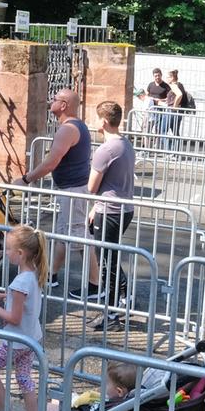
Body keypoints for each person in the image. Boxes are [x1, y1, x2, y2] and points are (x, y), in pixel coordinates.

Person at [12, 88, 91, 289]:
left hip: (73, 191)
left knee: (80, 238)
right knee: (63, 234)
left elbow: (50, 163)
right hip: (71, 189)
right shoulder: (76, 126)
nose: (50, 101)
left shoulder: (68, 129)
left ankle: (95, 285)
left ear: (64, 105)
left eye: (54, 99)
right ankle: (52, 275)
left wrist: (26, 179)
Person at [0, 224, 47, 411]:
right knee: (24, 377)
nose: (5, 252)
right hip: (31, 338)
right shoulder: (34, 273)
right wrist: (5, 296)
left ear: (20, 253)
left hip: (16, 341)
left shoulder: (20, 281)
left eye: (8, 249)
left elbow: (14, 318)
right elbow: (23, 303)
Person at [84, 101, 136, 328]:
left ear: (104, 122)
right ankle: (122, 298)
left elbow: (92, 186)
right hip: (121, 208)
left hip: (111, 211)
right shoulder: (126, 144)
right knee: (110, 258)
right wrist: (96, 207)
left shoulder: (105, 150)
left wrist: (97, 203)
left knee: (107, 262)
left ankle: (111, 313)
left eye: (96, 118)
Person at [164, 70, 190, 141]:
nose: (166, 79)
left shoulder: (173, 85)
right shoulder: (180, 85)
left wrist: (174, 106)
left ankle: (167, 149)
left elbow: (179, 95)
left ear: (172, 78)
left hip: (172, 112)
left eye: (167, 77)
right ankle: (176, 150)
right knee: (175, 132)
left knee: (162, 131)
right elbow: (175, 96)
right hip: (178, 112)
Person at [145, 69, 171, 138]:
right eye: (155, 76)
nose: (157, 77)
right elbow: (146, 95)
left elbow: (169, 98)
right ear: (153, 76)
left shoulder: (166, 86)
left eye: (158, 75)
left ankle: (156, 144)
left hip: (160, 110)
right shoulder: (151, 84)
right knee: (148, 127)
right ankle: (146, 144)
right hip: (150, 109)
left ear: (161, 75)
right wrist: (150, 99)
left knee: (157, 128)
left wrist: (159, 100)